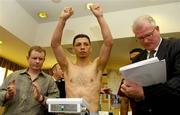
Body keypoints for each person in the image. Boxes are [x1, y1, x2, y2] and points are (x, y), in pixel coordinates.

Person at [51, 3, 113, 112]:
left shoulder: (97, 66)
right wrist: (62, 20)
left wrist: (100, 17)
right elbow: (55, 44)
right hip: (70, 114)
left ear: (91, 48)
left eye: (86, 44)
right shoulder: (67, 67)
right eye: (78, 45)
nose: (82, 47)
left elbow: (108, 43)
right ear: (73, 49)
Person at [120, 15, 180, 115]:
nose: (145, 41)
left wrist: (144, 93)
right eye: (140, 38)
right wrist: (130, 90)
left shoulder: (176, 46)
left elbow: (178, 82)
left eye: (148, 35)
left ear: (157, 29)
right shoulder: (137, 59)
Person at [0, 46, 59, 115]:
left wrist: (40, 98)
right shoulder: (14, 76)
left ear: (44, 60)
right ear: (28, 58)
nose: (37, 61)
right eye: (34, 58)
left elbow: (56, 105)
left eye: (40, 59)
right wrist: (7, 95)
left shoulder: (49, 81)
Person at [118, 48, 143, 115]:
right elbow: (124, 101)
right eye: (132, 59)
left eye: (136, 57)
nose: (134, 60)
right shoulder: (127, 78)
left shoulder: (153, 72)